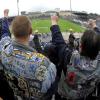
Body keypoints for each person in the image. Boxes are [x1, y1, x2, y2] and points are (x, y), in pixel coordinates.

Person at [0, 9, 56, 100]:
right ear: (30, 32)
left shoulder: (4, 48)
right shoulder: (44, 63)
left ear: (13, 32)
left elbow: (5, 33)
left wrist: (5, 17)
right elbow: (50, 89)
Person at [50, 15, 100, 100]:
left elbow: (59, 42)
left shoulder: (70, 57)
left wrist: (54, 22)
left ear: (80, 46)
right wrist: (94, 26)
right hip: (85, 95)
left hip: (65, 96)